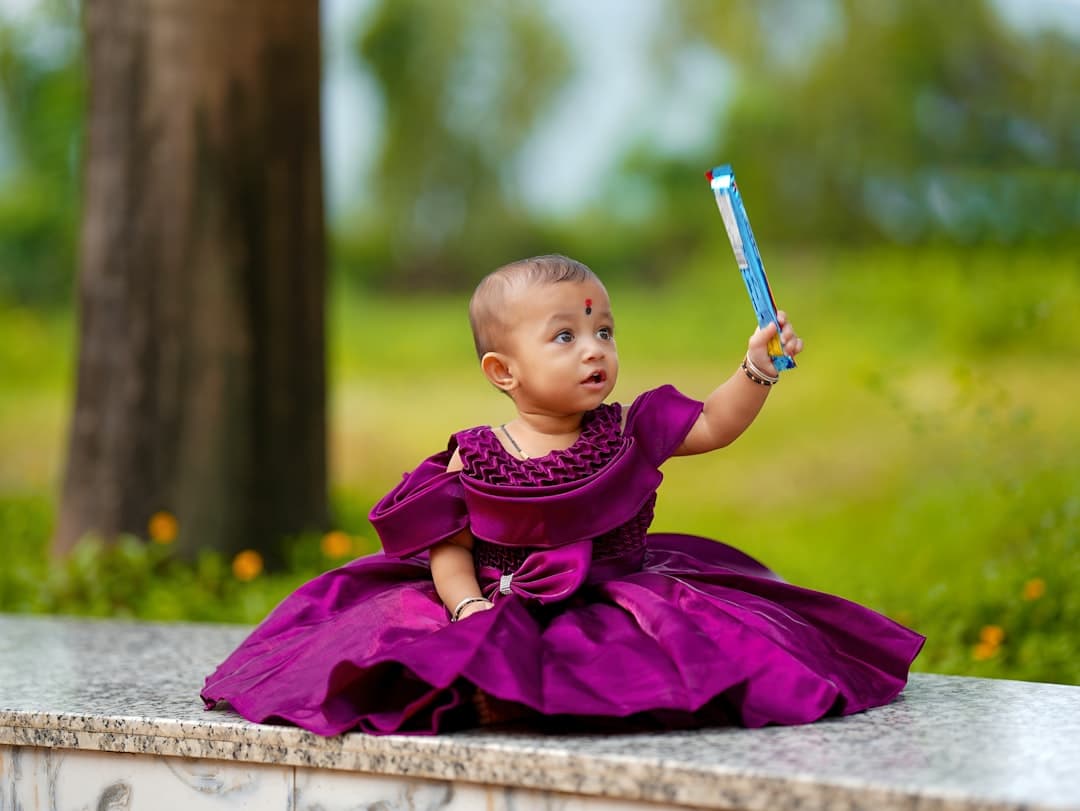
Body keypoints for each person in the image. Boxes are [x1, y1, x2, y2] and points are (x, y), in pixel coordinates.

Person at [202, 254, 924, 736]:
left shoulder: (628, 431)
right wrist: (467, 605)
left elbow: (712, 422)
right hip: (492, 596)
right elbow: (447, 549)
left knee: (686, 657)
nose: (594, 348)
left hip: (616, 592)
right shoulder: (473, 455)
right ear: (503, 370)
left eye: (603, 330)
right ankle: (488, 686)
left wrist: (756, 368)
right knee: (416, 654)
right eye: (565, 336)